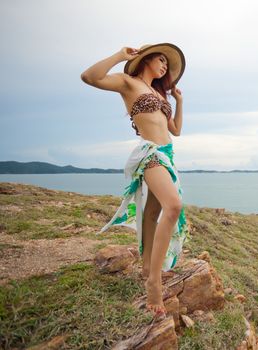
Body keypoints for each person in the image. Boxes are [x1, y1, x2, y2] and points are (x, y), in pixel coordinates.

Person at [80, 43, 191, 317]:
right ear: (146, 59)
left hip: (167, 155)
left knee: (153, 212)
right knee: (173, 206)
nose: (165, 66)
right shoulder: (128, 83)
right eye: (161, 59)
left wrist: (178, 101)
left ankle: (145, 268)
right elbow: (89, 77)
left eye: (168, 63)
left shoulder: (158, 94)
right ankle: (154, 281)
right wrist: (119, 56)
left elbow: (175, 130)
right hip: (149, 153)